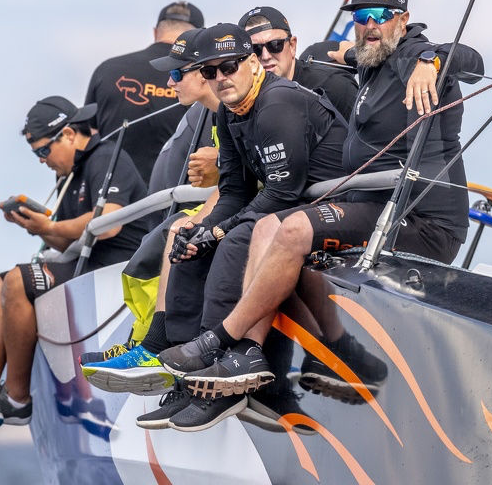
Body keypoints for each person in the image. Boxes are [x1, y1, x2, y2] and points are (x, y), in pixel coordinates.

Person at [158, 0, 484, 421]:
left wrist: (432, 58)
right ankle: (270, 356)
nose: (370, 24)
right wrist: (335, 52)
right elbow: (345, 52)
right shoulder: (371, 61)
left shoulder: (414, 56)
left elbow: (473, 61)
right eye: (362, 17)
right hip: (374, 206)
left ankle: (223, 339)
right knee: (268, 229)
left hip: (421, 220)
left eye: (382, 15)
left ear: (404, 19)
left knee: (292, 228)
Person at [93, 22, 349, 432]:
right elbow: (234, 190)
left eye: (228, 67)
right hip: (287, 205)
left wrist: (217, 230)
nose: (220, 77)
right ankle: (186, 370)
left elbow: (282, 189)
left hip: (329, 207)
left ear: (251, 63)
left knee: (231, 242)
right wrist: (204, 230)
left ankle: (218, 377)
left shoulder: (277, 101)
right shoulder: (231, 112)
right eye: (211, 71)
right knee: (188, 239)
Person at [0, 96, 149, 435]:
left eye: (44, 151)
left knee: (18, 281)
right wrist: (35, 227)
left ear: (69, 134)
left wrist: (48, 226)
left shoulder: (105, 157)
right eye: (36, 154)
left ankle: (17, 399)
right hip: (86, 267)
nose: (42, 161)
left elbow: (109, 224)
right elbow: (69, 242)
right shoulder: (69, 174)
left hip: (115, 270)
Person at [79, 28, 222, 379]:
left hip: (256, 209)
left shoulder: (237, 110)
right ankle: (142, 343)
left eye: (176, 73)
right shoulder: (217, 114)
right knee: (149, 250)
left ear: (204, 73)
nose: (170, 83)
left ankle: (156, 346)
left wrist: (219, 166)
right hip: (229, 202)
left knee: (175, 235)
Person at [85, 1, 204, 183]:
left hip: (112, 192)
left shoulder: (107, 70)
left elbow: (87, 137)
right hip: (176, 192)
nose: (172, 81)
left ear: (155, 32)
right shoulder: (200, 77)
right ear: (198, 40)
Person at [238, 6, 358, 121]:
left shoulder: (334, 86)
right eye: (255, 49)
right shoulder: (238, 103)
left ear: (292, 45)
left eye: (275, 44)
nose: (266, 56)